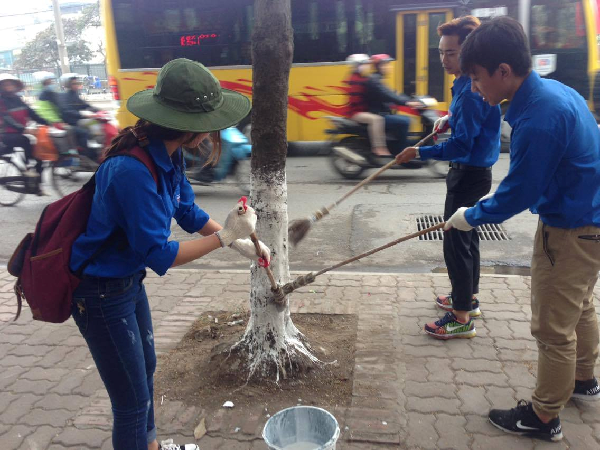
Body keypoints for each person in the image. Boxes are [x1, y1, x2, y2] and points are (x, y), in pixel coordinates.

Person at [69, 58, 271, 450]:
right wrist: (226, 237)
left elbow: (187, 211)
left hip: (126, 284)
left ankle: (151, 445)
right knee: (131, 401)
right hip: (99, 293)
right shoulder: (132, 171)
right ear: (187, 126)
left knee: (145, 373)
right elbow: (159, 255)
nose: (212, 130)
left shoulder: (169, 152)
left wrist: (246, 244)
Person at [445, 16, 600, 442]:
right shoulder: (554, 93)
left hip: (569, 230)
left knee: (552, 329)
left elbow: (516, 194)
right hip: (590, 221)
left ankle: (543, 416)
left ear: (503, 73)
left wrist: (470, 215)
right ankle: (584, 379)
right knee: (581, 304)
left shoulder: (538, 118)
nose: (474, 88)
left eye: (476, 78)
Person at [395, 16, 501, 340]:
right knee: (467, 239)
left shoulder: (469, 91)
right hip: (476, 174)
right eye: (441, 52)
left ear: (468, 52)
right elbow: (465, 121)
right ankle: (465, 299)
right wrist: (448, 118)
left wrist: (420, 153)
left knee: (456, 242)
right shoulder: (466, 83)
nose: (443, 59)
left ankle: (461, 318)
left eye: (451, 53)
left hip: (468, 175)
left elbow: (462, 144)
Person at [365, 54, 424, 154]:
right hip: (378, 114)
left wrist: (411, 99)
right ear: (380, 66)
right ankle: (401, 151)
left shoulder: (378, 79)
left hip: (383, 112)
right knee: (405, 121)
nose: (390, 67)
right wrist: (407, 102)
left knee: (404, 120)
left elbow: (393, 93)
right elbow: (388, 95)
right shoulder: (374, 80)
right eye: (386, 64)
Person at [0, 74, 49, 189]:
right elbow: (8, 119)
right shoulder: (1, 101)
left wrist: (48, 123)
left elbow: (31, 113)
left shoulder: (17, 99)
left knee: (40, 151)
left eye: (10, 84)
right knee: (26, 140)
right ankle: (27, 168)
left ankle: (35, 184)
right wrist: (24, 129)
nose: (9, 86)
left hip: (18, 132)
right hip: (5, 134)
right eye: (5, 84)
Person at [344, 54, 390, 157]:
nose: (367, 66)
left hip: (362, 111)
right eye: (364, 64)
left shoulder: (362, 78)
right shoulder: (355, 79)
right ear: (358, 66)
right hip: (356, 113)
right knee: (377, 119)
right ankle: (378, 148)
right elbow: (357, 100)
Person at [59, 74, 98, 159]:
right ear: (67, 85)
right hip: (69, 123)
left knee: (95, 125)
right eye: (73, 83)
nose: (76, 85)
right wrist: (82, 114)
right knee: (84, 132)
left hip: (77, 120)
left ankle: (97, 149)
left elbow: (84, 105)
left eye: (77, 83)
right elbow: (66, 111)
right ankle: (87, 155)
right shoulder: (64, 96)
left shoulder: (75, 95)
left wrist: (97, 110)